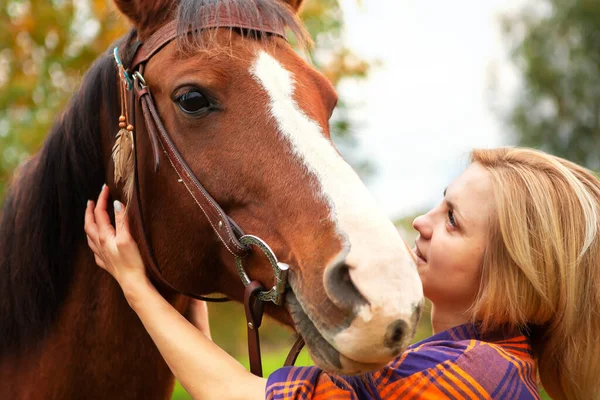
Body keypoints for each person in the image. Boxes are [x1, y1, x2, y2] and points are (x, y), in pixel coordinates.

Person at [84, 147, 600, 400]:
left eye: (453, 222)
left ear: (511, 279)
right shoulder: (488, 365)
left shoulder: (467, 377)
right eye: (440, 203)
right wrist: (184, 292)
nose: (421, 222)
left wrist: (132, 282)